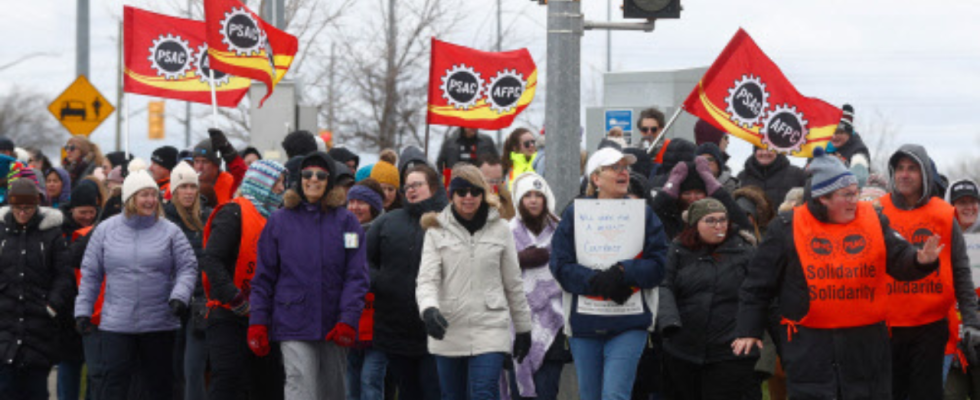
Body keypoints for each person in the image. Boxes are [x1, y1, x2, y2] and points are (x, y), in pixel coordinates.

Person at [733, 147, 946, 399]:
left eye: (856, 193)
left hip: (866, 351)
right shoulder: (787, 228)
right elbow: (757, 286)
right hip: (810, 351)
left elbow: (899, 259)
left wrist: (920, 260)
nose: (855, 201)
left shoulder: (873, 221)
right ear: (823, 198)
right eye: (847, 195)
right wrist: (748, 329)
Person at [550, 147, 669, 400]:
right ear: (596, 178)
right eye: (614, 168)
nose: (623, 172)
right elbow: (560, 266)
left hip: (629, 321)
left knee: (615, 395)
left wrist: (624, 271)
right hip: (585, 323)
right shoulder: (574, 214)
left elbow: (659, 266)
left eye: (625, 168)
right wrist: (595, 280)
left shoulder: (644, 214)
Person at [249, 152, 369, 400]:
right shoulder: (279, 221)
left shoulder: (347, 223)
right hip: (292, 319)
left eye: (321, 175)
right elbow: (264, 277)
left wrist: (348, 318)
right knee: (301, 387)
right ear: (299, 179)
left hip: (333, 323)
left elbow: (356, 275)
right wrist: (258, 320)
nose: (313, 179)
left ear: (330, 181)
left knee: (332, 392)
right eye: (307, 174)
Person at [74, 162, 198, 400]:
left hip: (159, 323)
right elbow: (91, 273)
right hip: (117, 325)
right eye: (144, 195)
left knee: (159, 387)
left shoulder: (170, 231)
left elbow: (187, 267)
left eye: (154, 195)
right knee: (114, 386)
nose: (151, 200)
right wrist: (83, 311)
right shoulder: (105, 230)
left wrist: (179, 296)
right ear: (131, 198)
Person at [416, 164, 532, 400]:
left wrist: (523, 328)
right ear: (451, 195)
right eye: (461, 192)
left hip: (490, 327)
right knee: (452, 395)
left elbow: (513, 283)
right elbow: (427, 279)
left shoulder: (501, 229)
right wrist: (428, 309)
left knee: (484, 393)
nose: (468, 197)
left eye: (475, 191)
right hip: (448, 326)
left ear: (483, 194)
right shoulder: (435, 231)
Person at [878, 145, 980, 400]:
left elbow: (961, 269)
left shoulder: (944, 213)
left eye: (912, 168)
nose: (904, 174)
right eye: (900, 168)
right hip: (887, 326)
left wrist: (971, 321)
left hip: (931, 326)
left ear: (924, 172)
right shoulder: (877, 211)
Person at [200, 160, 287, 400]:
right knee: (229, 381)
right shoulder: (233, 213)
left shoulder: (277, 219)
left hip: (265, 315)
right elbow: (212, 259)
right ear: (263, 184)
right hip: (229, 314)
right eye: (278, 182)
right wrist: (236, 298)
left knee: (268, 384)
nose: (282, 189)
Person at [658, 198, 760, 400]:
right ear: (695, 225)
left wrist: (754, 331)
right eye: (710, 220)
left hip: (731, 347)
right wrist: (669, 322)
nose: (718, 226)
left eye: (723, 220)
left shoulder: (745, 251)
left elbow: (761, 293)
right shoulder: (677, 250)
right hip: (684, 345)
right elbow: (664, 285)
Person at [367, 164, 448, 400]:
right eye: (408, 186)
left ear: (433, 187)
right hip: (394, 328)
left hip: (435, 330)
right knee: (407, 391)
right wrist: (380, 281)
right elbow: (364, 262)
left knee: (433, 390)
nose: (411, 190)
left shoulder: (448, 221)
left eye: (418, 185)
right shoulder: (387, 222)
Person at [0, 179, 73, 400]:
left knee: (36, 390)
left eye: (28, 208)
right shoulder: (2, 233)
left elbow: (64, 274)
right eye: (18, 208)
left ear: (37, 206)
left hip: (39, 322)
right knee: (5, 388)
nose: (23, 213)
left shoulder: (51, 234)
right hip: (5, 321)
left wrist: (52, 305)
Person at [507, 172, 568, 400]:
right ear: (519, 201)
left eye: (538, 195)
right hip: (515, 327)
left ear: (546, 199)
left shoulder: (560, 232)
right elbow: (494, 271)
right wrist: (519, 259)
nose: (533, 200)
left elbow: (568, 269)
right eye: (527, 196)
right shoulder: (507, 232)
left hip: (554, 322)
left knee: (547, 392)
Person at [164, 162, 214, 400]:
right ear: (174, 190)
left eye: (193, 186)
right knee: (173, 370)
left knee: (194, 370)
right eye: (183, 186)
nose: (189, 192)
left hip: (200, 304)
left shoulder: (209, 217)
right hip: (170, 304)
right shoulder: (161, 220)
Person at [346, 179, 389, 400]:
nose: (354, 207)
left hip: (378, 323)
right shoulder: (346, 232)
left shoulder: (386, 232)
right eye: (351, 201)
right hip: (350, 321)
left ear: (373, 205)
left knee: (370, 380)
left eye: (361, 202)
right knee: (351, 382)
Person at [651, 156, 751, 239]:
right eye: (687, 193)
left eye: (698, 193)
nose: (693, 198)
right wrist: (670, 187)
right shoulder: (670, 216)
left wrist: (714, 186)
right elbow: (652, 217)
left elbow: (743, 223)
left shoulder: (717, 218)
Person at [736, 147, 807, 212]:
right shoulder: (742, 177)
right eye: (760, 149)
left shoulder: (797, 175)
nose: (765, 153)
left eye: (769, 149)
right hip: (752, 225)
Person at [192, 129, 247, 207]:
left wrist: (229, 153)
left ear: (216, 165)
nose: (199, 167)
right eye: (196, 161)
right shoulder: (189, 184)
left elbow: (244, 178)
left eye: (205, 162)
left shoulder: (229, 184)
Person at [826, 104, 871, 187]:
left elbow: (860, 179)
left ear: (849, 134)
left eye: (839, 132)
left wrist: (842, 167)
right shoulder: (821, 146)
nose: (834, 136)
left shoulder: (859, 151)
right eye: (831, 132)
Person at [477, 155, 516, 220]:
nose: (495, 185)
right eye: (491, 181)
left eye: (498, 180)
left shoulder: (510, 200)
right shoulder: (469, 200)